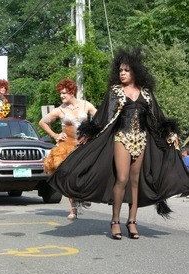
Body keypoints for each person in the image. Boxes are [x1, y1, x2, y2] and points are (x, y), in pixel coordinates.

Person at [48, 46, 189, 239]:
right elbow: (102, 116)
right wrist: (89, 133)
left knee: (135, 180)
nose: (122, 73)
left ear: (135, 71)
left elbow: (157, 117)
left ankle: (132, 221)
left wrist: (170, 134)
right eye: (120, 70)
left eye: (126, 70)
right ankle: (115, 220)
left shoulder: (146, 93)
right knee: (122, 179)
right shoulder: (115, 92)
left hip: (141, 139)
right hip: (121, 138)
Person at [39, 78, 97, 220]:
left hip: (84, 145)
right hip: (67, 146)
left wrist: (91, 133)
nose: (62, 95)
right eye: (60, 93)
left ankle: (84, 195)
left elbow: (100, 118)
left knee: (86, 173)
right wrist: (55, 135)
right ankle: (73, 209)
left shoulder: (85, 105)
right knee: (70, 176)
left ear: (72, 92)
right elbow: (42, 122)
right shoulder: (59, 110)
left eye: (64, 93)